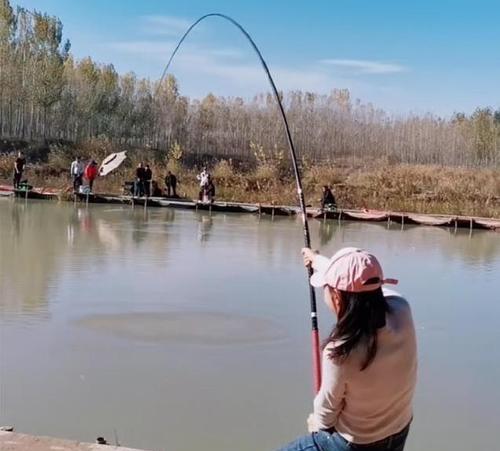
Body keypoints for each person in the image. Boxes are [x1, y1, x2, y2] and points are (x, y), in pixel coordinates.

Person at [278, 247, 417, 451]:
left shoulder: (340, 351)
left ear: (337, 297)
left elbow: (326, 416)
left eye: (326, 287)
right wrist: (318, 261)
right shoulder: (401, 309)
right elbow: (362, 286)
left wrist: (316, 423)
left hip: (352, 444)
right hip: (397, 433)